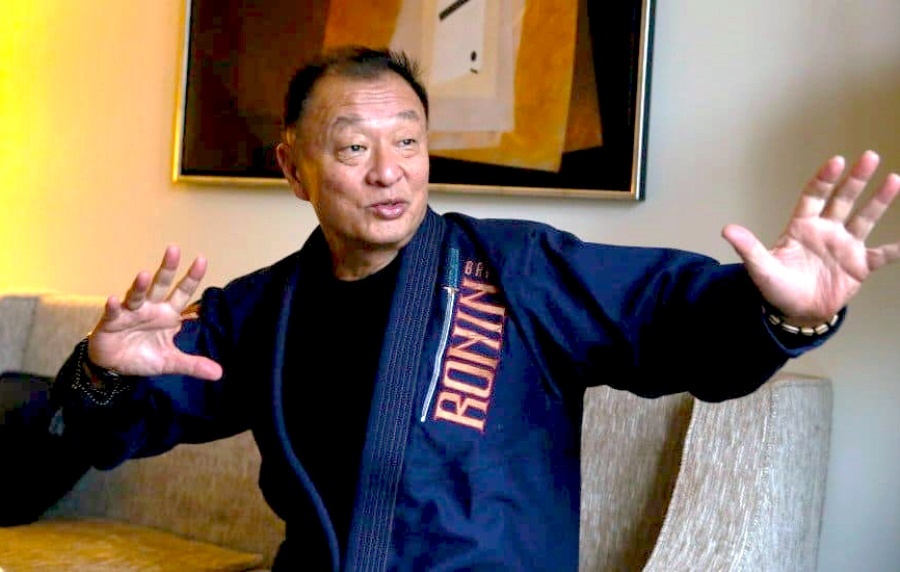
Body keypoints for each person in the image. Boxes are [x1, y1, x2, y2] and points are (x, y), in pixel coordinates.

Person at [51, 46, 899, 571]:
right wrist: (99, 371)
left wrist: (781, 312)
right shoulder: (260, 311)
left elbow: (671, 320)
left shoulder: (517, 269)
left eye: (408, 141)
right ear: (293, 168)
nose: (389, 171)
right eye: (354, 147)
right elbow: (112, 430)